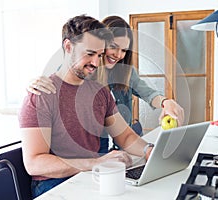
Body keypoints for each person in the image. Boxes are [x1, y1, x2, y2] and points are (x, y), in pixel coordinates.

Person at [19, 15, 154, 198]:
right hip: (54, 185)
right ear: (68, 47)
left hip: (91, 177)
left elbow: (126, 136)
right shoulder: (41, 95)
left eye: (99, 55)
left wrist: (149, 150)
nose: (96, 63)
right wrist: (96, 162)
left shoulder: (100, 92)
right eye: (89, 54)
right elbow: (35, 163)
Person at [27, 16, 184, 151]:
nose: (119, 55)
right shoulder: (83, 71)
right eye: (114, 47)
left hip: (121, 143)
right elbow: (60, 78)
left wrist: (166, 102)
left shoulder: (124, 72)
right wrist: (33, 83)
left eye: (124, 50)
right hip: (96, 145)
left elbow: (148, 93)